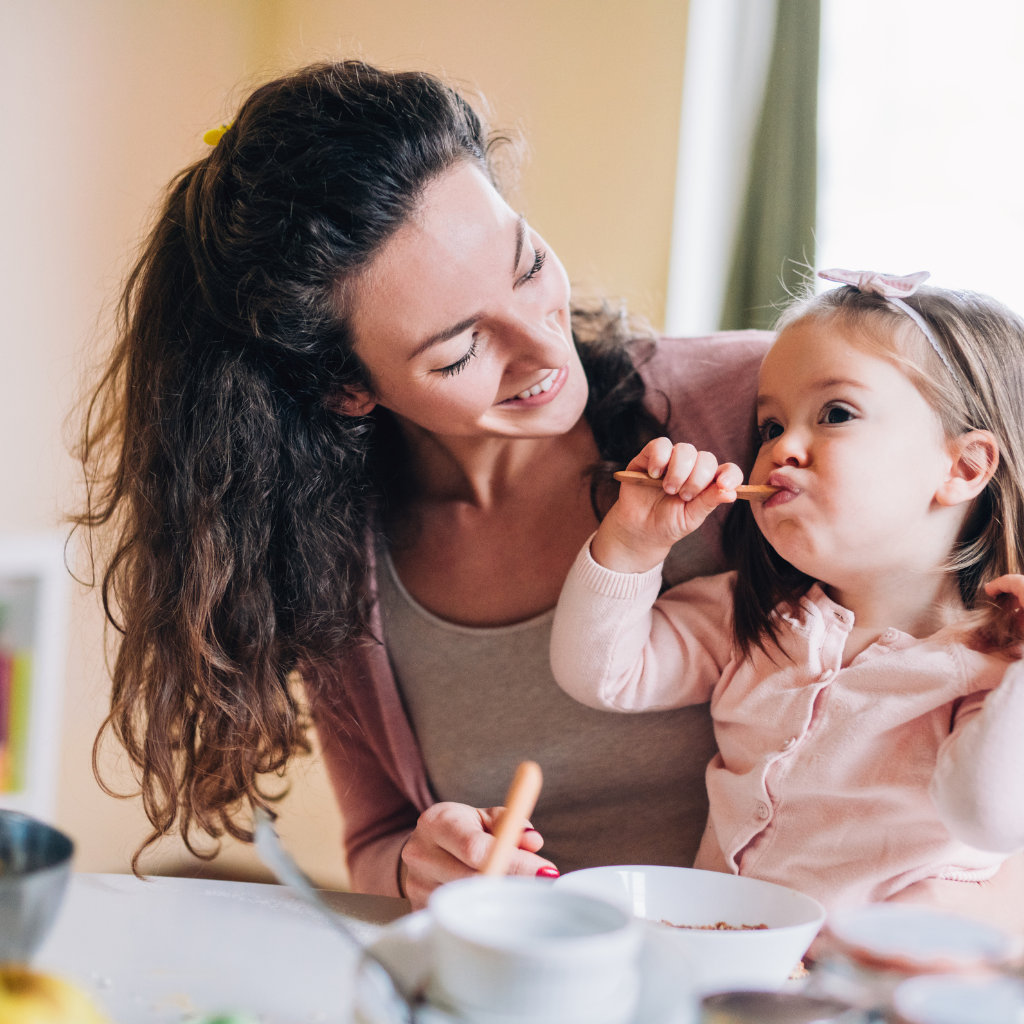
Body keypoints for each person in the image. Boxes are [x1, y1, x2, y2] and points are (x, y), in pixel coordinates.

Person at [75, 60, 771, 907]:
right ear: (348, 388)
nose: (543, 349)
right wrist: (419, 866)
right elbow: (376, 842)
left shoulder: (764, 411)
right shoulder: (338, 562)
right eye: (459, 351)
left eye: (527, 267)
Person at [550, 270, 1024, 915]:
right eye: (770, 426)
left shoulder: (988, 666)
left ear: (963, 467)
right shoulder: (755, 616)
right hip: (724, 971)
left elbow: (988, 818)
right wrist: (634, 544)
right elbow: (599, 674)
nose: (781, 449)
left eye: (835, 414)